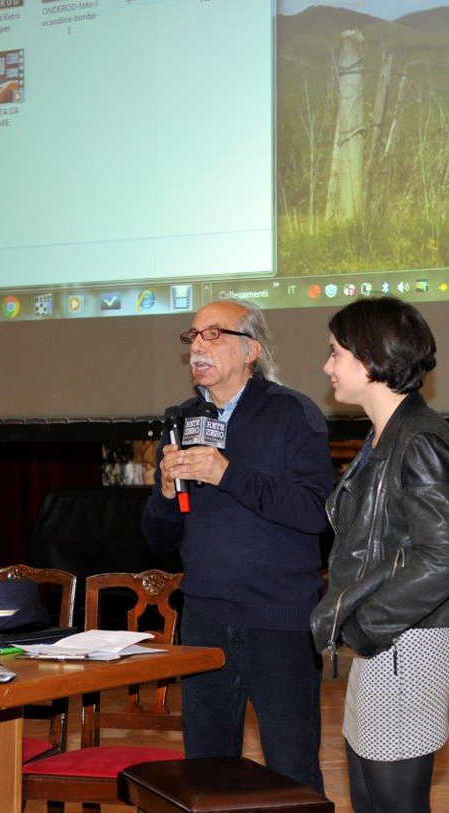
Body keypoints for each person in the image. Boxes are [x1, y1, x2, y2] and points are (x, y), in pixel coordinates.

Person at [142, 300, 332, 792]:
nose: (197, 347)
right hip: (205, 621)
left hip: (279, 622)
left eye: (213, 334)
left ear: (251, 350)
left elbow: (314, 512)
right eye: (192, 336)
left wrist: (227, 473)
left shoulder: (293, 413)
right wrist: (165, 494)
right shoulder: (182, 420)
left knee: (291, 773)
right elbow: (158, 538)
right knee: (207, 775)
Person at [310, 297, 449, 813]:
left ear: (371, 358)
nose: (327, 366)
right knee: (370, 801)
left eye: (336, 353)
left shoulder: (418, 439)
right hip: (386, 646)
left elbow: (442, 559)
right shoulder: (387, 433)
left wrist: (365, 627)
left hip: (404, 645)